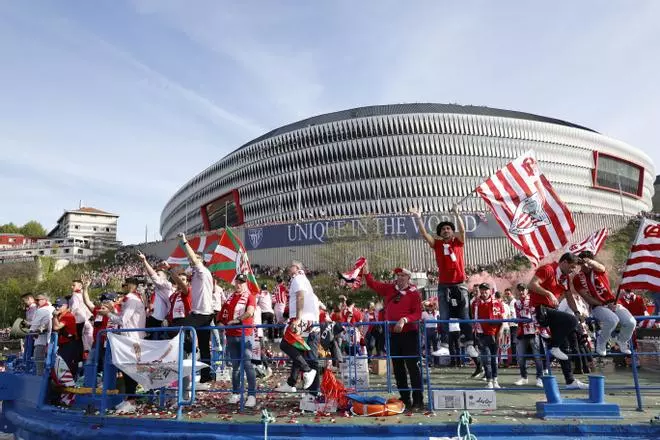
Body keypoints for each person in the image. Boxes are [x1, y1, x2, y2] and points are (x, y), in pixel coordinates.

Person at [412, 207, 479, 360]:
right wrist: (418, 218)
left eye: (448, 228)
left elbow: (462, 230)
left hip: (460, 284)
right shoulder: (437, 245)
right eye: (443, 229)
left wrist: (456, 214)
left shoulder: (458, 242)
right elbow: (424, 234)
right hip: (444, 285)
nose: (446, 230)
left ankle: (469, 344)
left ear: (452, 231)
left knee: (464, 314)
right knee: (444, 315)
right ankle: (444, 345)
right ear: (440, 233)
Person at [364, 263, 424, 410]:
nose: (400, 278)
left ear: (409, 278)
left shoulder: (414, 293)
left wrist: (404, 319)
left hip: (410, 333)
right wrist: (366, 272)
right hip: (393, 334)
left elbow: (417, 313)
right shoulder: (390, 288)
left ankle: (418, 400)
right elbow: (374, 284)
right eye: (398, 275)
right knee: (398, 368)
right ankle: (405, 398)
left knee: (413, 368)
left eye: (403, 275)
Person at [528, 252, 588, 389]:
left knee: (565, 345)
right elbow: (531, 285)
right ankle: (553, 348)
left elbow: (569, 296)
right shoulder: (548, 269)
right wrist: (548, 293)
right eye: (572, 267)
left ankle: (570, 381)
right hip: (539, 309)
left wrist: (578, 312)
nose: (573, 270)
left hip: (551, 311)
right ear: (564, 262)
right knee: (571, 321)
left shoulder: (565, 277)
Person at [573, 251, 636, 356]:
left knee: (631, 322)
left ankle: (622, 341)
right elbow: (587, 297)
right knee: (612, 320)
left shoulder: (598, 270)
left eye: (588, 262)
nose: (585, 265)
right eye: (583, 263)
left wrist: (589, 262)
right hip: (597, 306)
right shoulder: (577, 278)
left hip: (613, 302)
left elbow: (601, 267)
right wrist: (604, 304)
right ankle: (601, 342)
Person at [99, 277, 147, 414]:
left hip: (132, 339)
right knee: (127, 369)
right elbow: (123, 317)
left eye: (124, 285)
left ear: (130, 286)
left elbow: (123, 320)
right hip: (129, 339)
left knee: (131, 369)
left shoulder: (132, 300)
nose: (122, 287)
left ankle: (132, 400)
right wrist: (112, 310)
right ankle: (129, 398)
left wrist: (108, 314)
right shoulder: (131, 299)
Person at [176, 233, 215, 389]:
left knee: (180, 329)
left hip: (203, 313)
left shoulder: (203, 271)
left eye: (194, 262)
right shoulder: (197, 274)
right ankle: (206, 377)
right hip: (200, 312)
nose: (191, 265)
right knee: (205, 346)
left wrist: (184, 243)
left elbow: (193, 258)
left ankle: (188, 350)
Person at [276, 260, 320, 394]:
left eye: (291, 266)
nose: (289, 269)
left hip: (303, 319)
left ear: (297, 268)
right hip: (309, 319)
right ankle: (292, 382)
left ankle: (307, 370)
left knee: (285, 344)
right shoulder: (304, 280)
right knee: (297, 350)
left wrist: (299, 318)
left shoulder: (298, 278)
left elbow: (300, 296)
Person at [217, 274, 257, 408]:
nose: (239, 284)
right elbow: (223, 313)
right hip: (231, 335)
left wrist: (237, 320)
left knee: (247, 364)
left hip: (245, 334)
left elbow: (250, 312)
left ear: (246, 284)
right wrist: (220, 323)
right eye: (237, 282)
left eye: (242, 282)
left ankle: (251, 395)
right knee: (235, 367)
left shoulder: (250, 296)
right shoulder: (230, 297)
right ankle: (236, 393)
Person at [472, 284, 504, 389]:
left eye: (486, 290)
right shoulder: (475, 303)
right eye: (482, 290)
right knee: (487, 359)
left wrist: (500, 331)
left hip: (494, 333)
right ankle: (489, 380)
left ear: (490, 291)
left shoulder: (497, 303)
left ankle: (495, 379)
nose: (483, 292)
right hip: (481, 334)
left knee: (494, 358)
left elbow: (503, 319)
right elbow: (473, 317)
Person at [513, 283, 544, 388]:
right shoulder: (516, 303)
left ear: (527, 290)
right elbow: (518, 317)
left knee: (537, 357)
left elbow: (535, 315)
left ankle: (540, 378)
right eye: (519, 290)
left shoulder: (533, 300)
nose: (521, 292)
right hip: (522, 332)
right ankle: (524, 377)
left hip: (533, 331)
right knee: (520, 357)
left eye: (523, 290)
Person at [138, 252, 173, 340]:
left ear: (165, 278)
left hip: (161, 320)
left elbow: (153, 275)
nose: (156, 276)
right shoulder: (159, 288)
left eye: (159, 275)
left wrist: (144, 261)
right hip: (156, 318)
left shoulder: (166, 285)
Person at [51, 298, 79, 377]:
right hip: (63, 343)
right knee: (61, 364)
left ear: (65, 306)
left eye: (59, 306)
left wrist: (55, 316)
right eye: (56, 306)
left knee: (66, 364)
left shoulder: (68, 316)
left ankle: (71, 382)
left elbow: (56, 327)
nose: (57, 308)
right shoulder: (61, 315)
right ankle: (63, 382)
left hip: (69, 344)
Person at [29, 294, 54, 375]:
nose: (36, 302)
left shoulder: (42, 310)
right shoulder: (50, 309)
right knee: (46, 363)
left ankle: (39, 380)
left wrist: (30, 330)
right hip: (49, 341)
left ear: (44, 300)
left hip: (41, 341)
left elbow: (34, 327)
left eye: (38, 300)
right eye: (36, 300)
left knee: (39, 362)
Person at [503, 288, 518, 367]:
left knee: (514, 342)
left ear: (511, 294)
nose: (507, 295)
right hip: (509, 325)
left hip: (514, 325)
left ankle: (515, 360)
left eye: (508, 294)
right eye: (506, 294)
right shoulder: (507, 303)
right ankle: (513, 360)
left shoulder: (514, 302)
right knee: (510, 343)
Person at [272, 276, 288, 340]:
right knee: (283, 322)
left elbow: (273, 297)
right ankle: (282, 337)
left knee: (277, 322)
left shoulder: (275, 287)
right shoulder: (283, 287)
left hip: (276, 305)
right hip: (282, 305)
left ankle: (276, 337)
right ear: (282, 281)